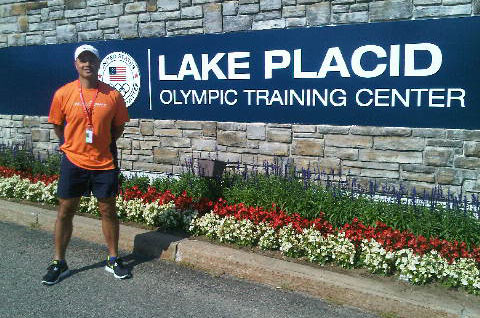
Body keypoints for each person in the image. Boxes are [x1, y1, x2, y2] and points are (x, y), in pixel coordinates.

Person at [42, 44, 131, 285]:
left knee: (108, 210)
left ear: (98, 63)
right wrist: (69, 144)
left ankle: (113, 259)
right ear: (76, 65)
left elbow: (119, 126)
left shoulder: (112, 95)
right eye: (82, 60)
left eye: (91, 59)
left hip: (104, 163)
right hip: (73, 161)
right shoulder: (63, 93)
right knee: (65, 211)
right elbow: (57, 124)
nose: (87, 64)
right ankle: (59, 262)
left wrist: (103, 142)